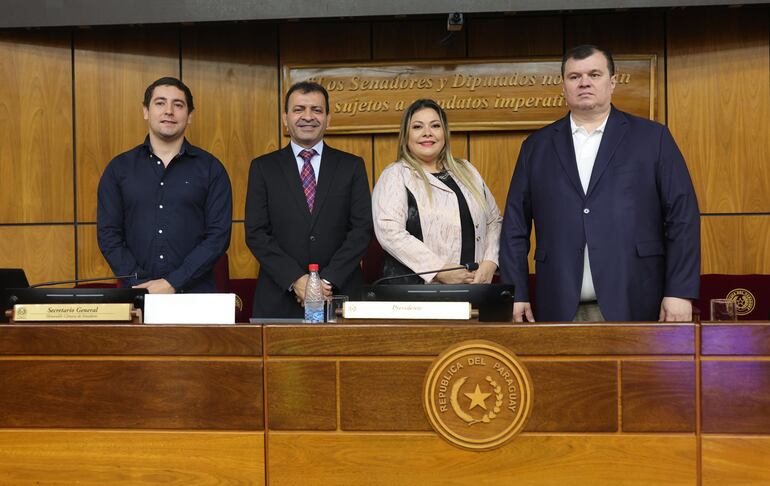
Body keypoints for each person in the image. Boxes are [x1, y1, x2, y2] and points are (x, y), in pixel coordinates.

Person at [500, 45, 700, 322]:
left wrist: (679, 291)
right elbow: (514, 227)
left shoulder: (653, 139)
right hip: (557, 305)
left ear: (612, 82)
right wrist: (515, 294)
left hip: (637, 300)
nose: (584, 82)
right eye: (574, 76)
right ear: (563, 85)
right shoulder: (536, 147)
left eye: (594, 74)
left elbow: (683, 217)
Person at [245, 81, 372, 318]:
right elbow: (256, 233)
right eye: (299, 109)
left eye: (316, 110)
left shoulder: (351, 166)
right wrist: (297, 281)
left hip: (340, 295)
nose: (308, 116)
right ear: (285, 118)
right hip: (279, 297)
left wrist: (324, 283)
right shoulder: (263, 168)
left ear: (328, 118)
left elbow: (362, 230)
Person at [97, 77, 232, 293]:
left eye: (178, 105)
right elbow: (108, 235)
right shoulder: (119, 169)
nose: (169, 111)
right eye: (160, 103)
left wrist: (173, 282)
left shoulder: (211, 169)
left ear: (189, 116)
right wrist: (141, 285)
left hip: (196, 296)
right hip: (135, 295)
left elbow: (218, 237)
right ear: (145, 111)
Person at [372, 99, 502, 284]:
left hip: (474, 287)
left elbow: (494, 220)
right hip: (417, 295)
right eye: (417, 127)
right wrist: (438, 270)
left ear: (444, 133)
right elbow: (390, 231)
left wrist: (490, 262)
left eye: (435, 125)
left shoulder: (467, 170)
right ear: (406, 135)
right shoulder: (395, 175)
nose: (427, 133)